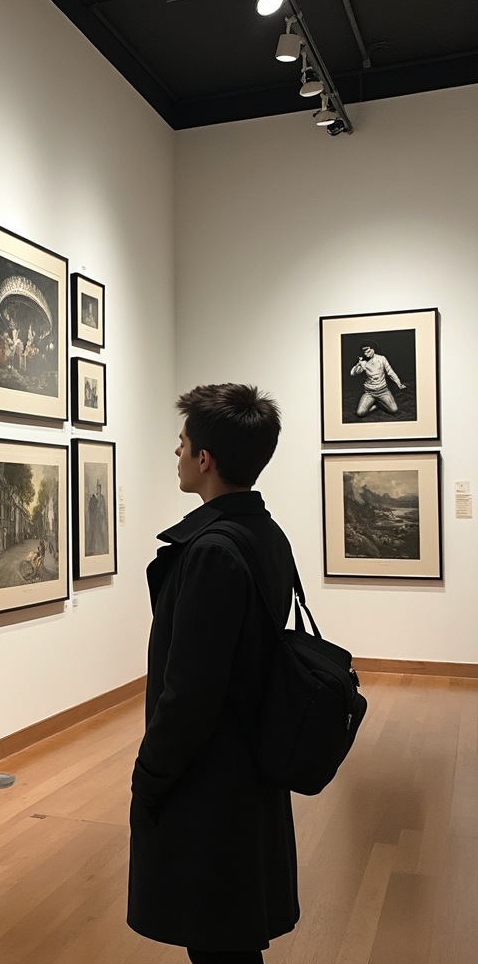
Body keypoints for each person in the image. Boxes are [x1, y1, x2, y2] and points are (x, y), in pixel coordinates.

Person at [127, 384, 298, 964]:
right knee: (232, 933)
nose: (176, 455)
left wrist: (149, 775)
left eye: (182, 445)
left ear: (206, 459)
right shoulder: (265, 535)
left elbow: (191, 694)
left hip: (211, 783)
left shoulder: (212, 552)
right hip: (247, 768)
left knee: (219, 939)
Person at [350, 340, 407, 417]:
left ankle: (379, 403)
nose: (366, 354)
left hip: (383, 390)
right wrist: (358, 364)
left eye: (368, 351)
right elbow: (352, 373)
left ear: (373, 349)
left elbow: (390, 372)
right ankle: (375, 405)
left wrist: (399, 384)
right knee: (360, 413)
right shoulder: (363, 362)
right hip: (369, 392)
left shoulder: (382, 359)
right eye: (364, 352)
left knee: (394, 410)